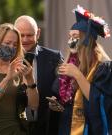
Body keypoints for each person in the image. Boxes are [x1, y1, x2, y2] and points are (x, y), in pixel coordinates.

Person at [49, 5, 112, 135]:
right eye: (70, 36)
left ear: (87, 39)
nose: (71, 40)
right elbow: (62, 95)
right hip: (66, 127)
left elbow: (101, 102)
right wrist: (57, 104)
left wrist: (78, 75)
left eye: (76, 36)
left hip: (89, 129)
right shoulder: (70, 62)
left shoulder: (103, 67)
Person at [0, 23, 39, 135]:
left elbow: (33, 106)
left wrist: (30, 79)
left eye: (15, 45)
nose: (11, 47)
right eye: (7, 43)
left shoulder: (20, 70)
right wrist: (7, 78)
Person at [14, 15, 63, 135]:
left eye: (30, 35)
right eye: (21, 35)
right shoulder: (6, 59)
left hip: (47, 127)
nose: (25, 40)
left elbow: (63, 90)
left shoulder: (54, 57)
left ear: (38, 33)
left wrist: (58, 101)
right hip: (14, 127)